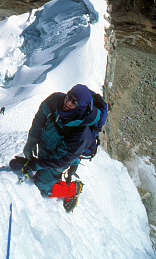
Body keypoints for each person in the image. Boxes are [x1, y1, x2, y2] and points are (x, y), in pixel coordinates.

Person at [22, 84, 105, 212]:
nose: (68, 102)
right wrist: (32, 140)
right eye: (69, 96)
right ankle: (51, 175)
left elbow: (61, 160)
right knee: (41, 170)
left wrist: (36, 164)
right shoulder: (55, 100)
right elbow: (39, 119)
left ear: (82, 107)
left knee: (41, 187)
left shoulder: (82, 132)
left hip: (63, 157)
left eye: (74, 102)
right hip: (49, 143)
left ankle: (72, 190)